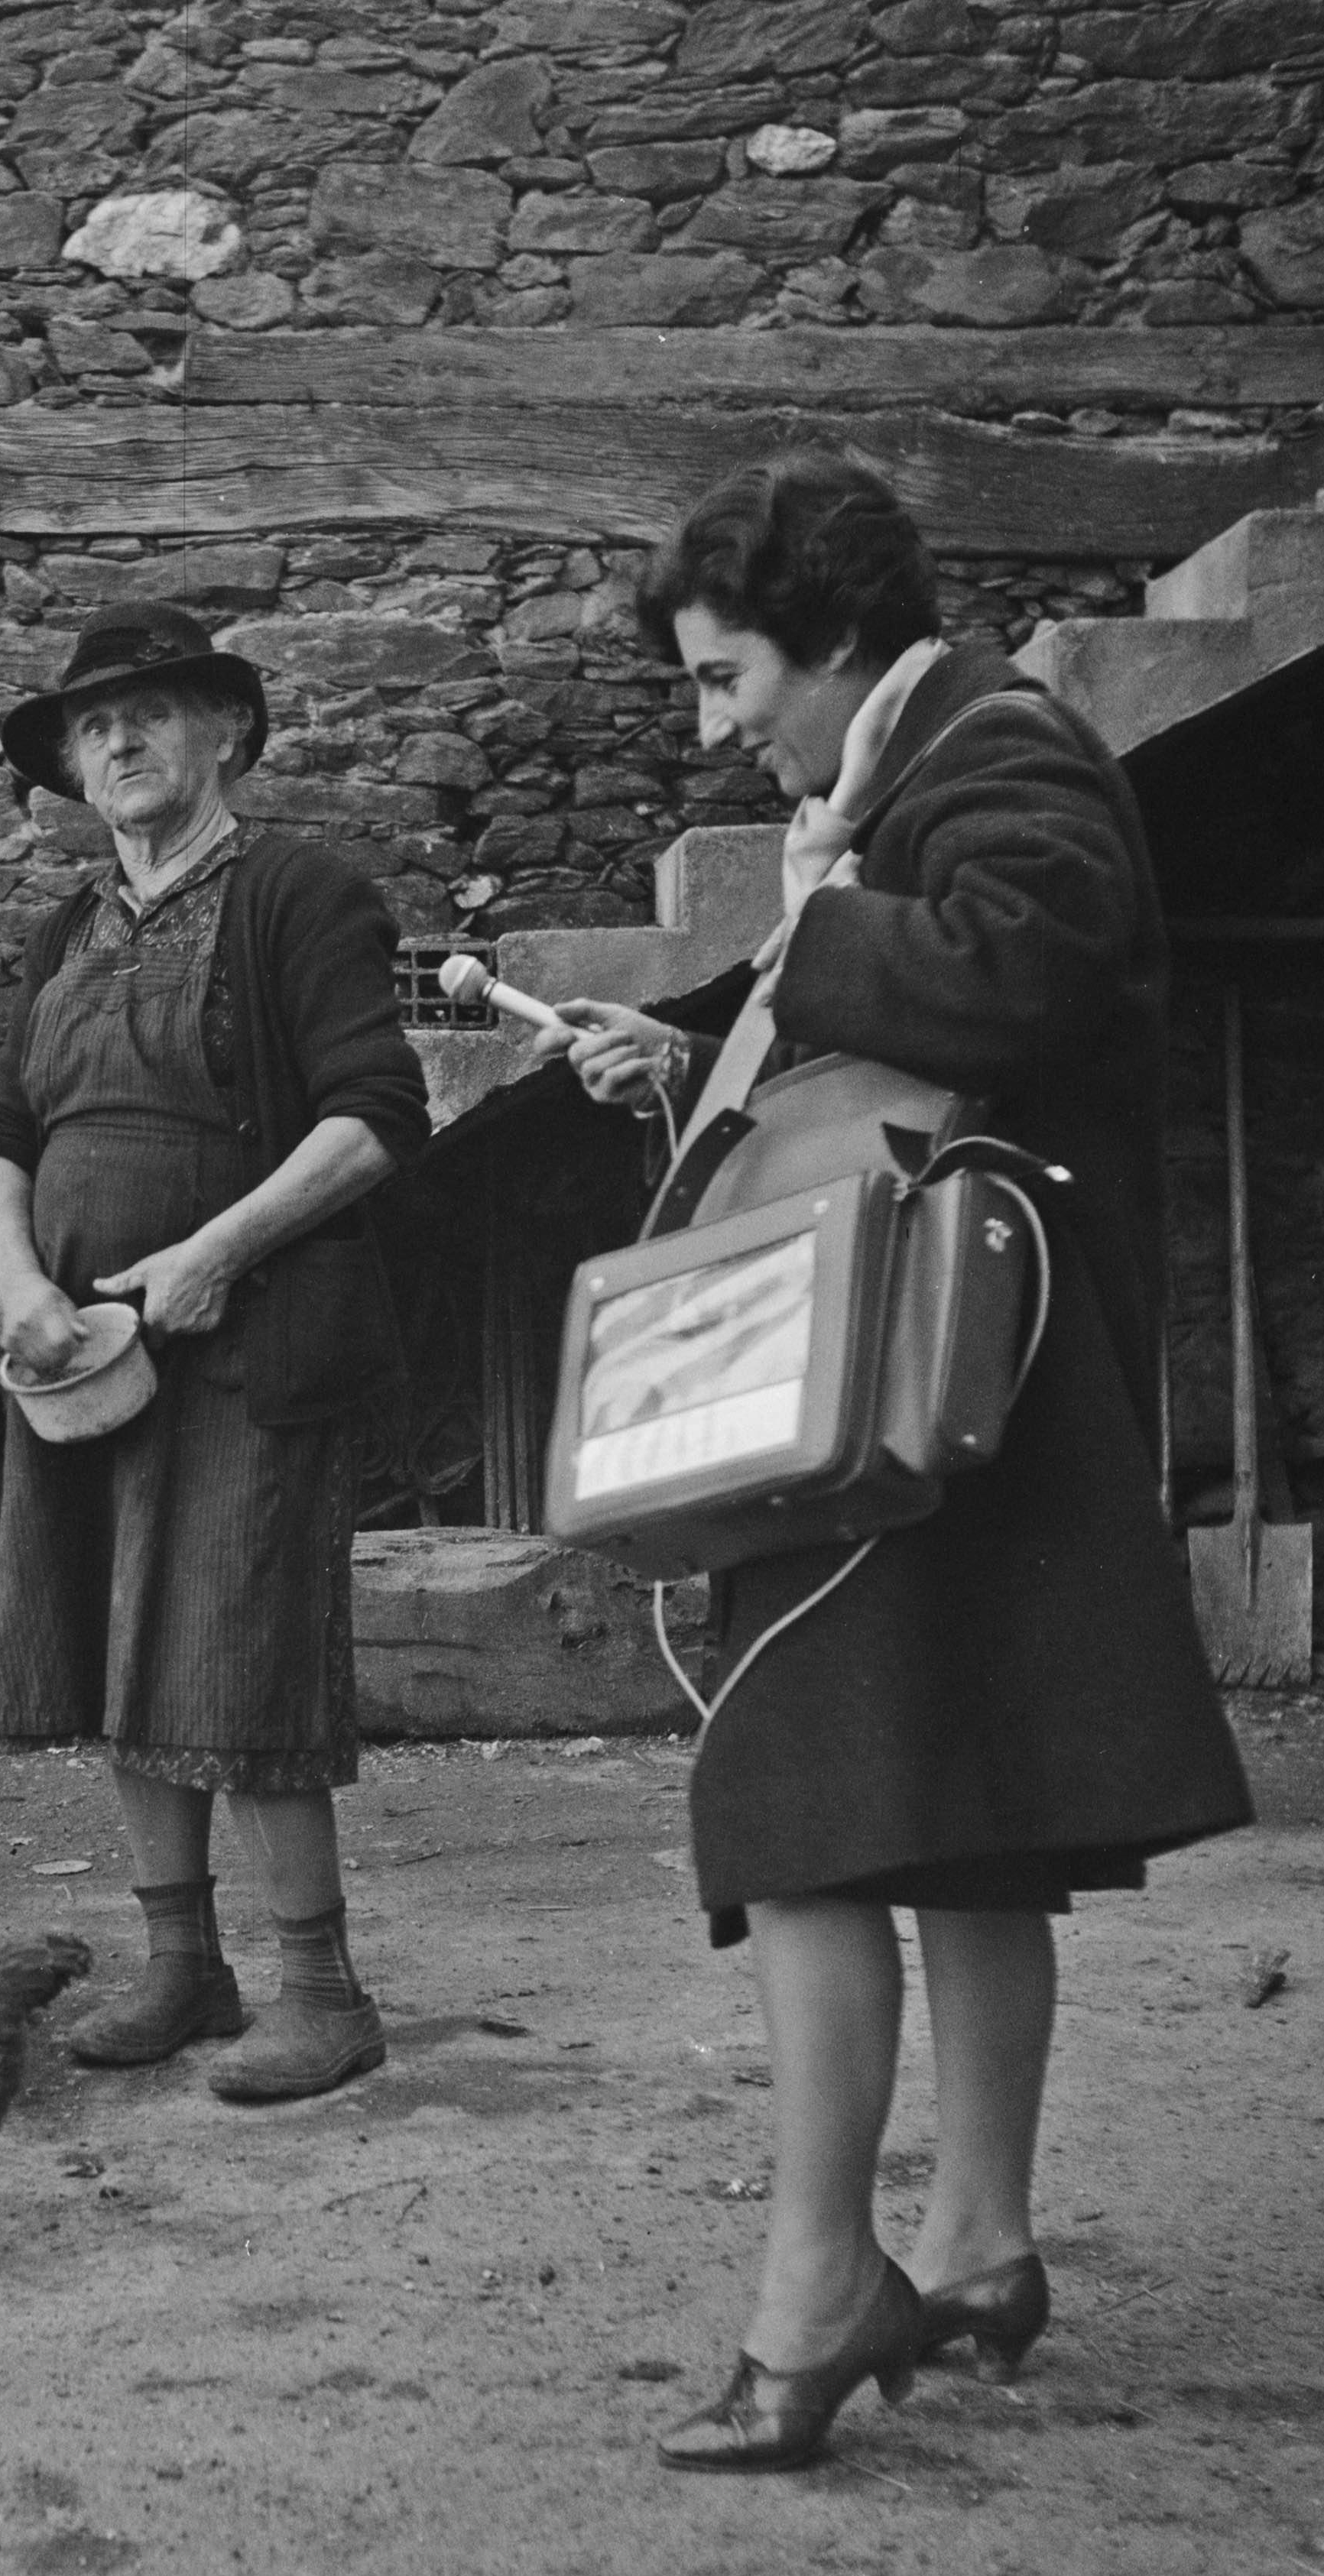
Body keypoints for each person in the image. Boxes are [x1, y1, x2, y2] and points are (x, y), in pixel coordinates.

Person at [540, 454, 1252, 2469]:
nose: (716, 721)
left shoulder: (989, 743)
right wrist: (700, 1068)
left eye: (726, 673)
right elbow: (919, 1069)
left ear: (834, 631)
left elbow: (1031, 972)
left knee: (804, 1807)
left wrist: (816, 929)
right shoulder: (911, 764)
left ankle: (816, 2293)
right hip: (949, 1369)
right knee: (963, 1814)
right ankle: (985, 2239)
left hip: (922, 1381)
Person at [0, 601, 431, 2104]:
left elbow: (375, 1113)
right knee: (113, 1639)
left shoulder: (297, 893)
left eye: (149, 711)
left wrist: (217, 1252)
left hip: (250, 1344)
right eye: (92, 724)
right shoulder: (62, 930)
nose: (117, 740)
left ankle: (318, 1992)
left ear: (226, 731)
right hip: (78, 1356)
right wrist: (19, 1284)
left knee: (241, 1652)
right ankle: (178, 1965)